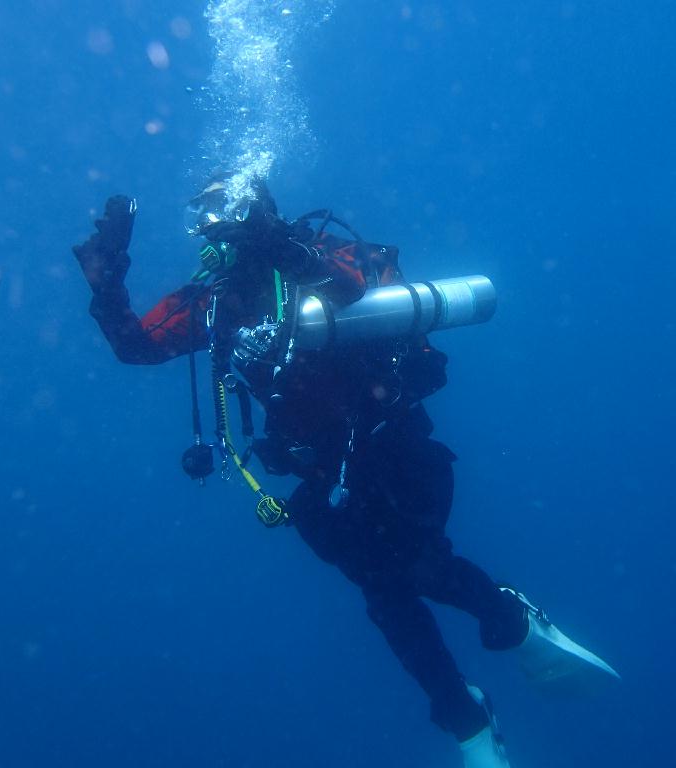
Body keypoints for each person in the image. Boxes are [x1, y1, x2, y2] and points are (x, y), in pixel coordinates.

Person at [72, 177, 618, 767]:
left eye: (223, 209)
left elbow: (357, 288)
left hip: (397, 452)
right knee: (384, 598)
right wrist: (108, 279)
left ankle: (513, 623)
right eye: (201, 217)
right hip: (323, 474)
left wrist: (280, 246)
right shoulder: (213, 303)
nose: (212, 227)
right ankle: (468, 721)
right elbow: (137, 345)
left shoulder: (325, 253)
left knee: (422, 569)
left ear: (258, 207)